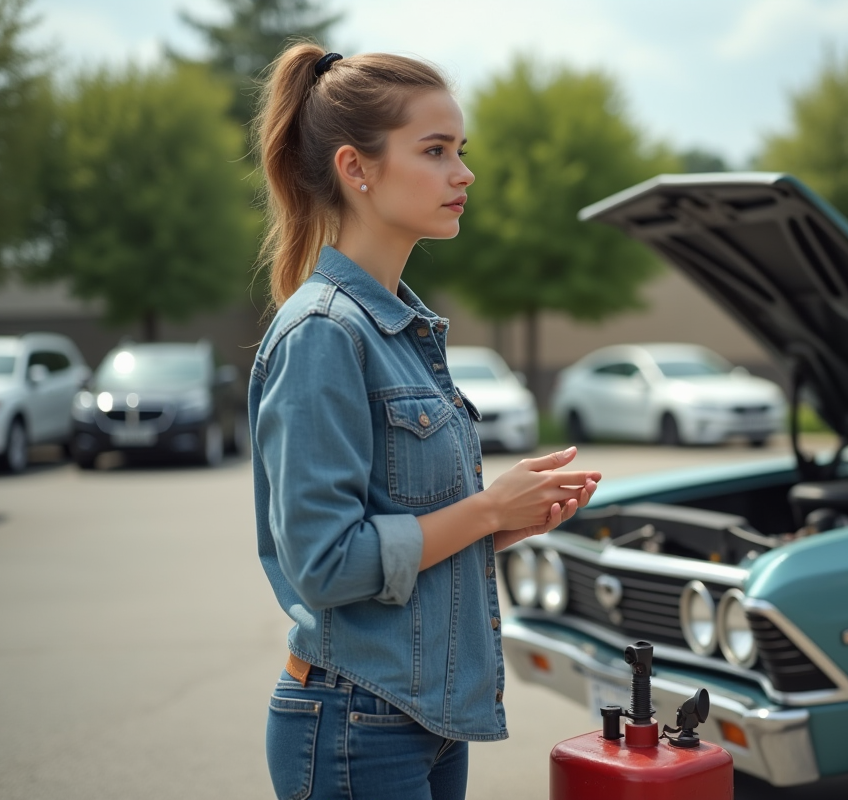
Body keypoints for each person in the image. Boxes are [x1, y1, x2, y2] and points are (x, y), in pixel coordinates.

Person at [248, 45, 602, 800]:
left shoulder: (398, 329)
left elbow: (403, 531)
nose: (462, 173)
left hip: (422, 722)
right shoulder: (324, 332)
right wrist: (482, 509)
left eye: (460, 151)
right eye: (435, 151)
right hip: (354, 722)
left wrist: (507, 520)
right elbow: (325, 562)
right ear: (357, 167)